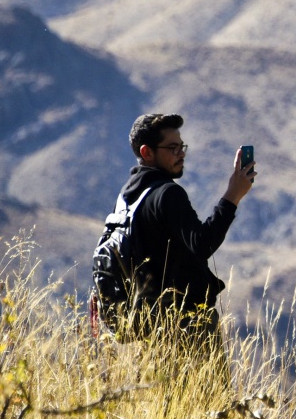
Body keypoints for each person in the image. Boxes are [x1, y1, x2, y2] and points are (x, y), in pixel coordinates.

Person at [93, 112, 254, 357]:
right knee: (207, 396)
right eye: (172, 147)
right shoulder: (167, 194)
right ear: (147, 152)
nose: (181, 153)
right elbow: (201, 244)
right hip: (188, 328)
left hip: (152, 331)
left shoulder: (127, 196)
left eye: (182, 146)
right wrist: (233, 196)